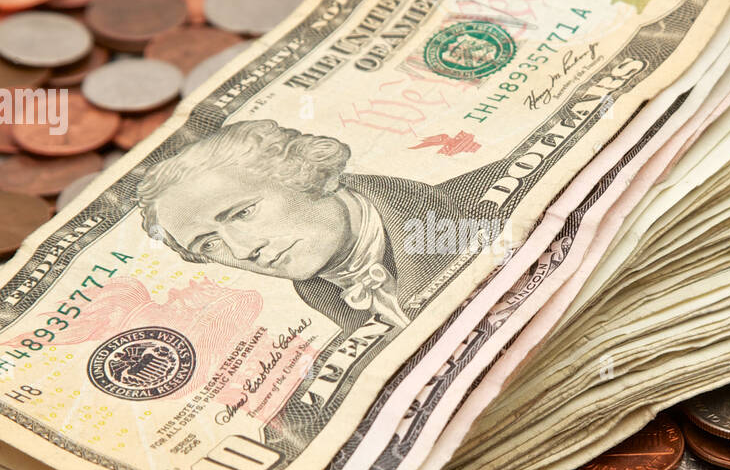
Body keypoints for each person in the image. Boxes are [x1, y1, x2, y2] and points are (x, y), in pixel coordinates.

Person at [137, 117, 479, 333]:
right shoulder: (325, 303)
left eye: (243, 213)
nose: (243, 250)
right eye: (208, 245)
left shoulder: (485, 209)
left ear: (312, 173)